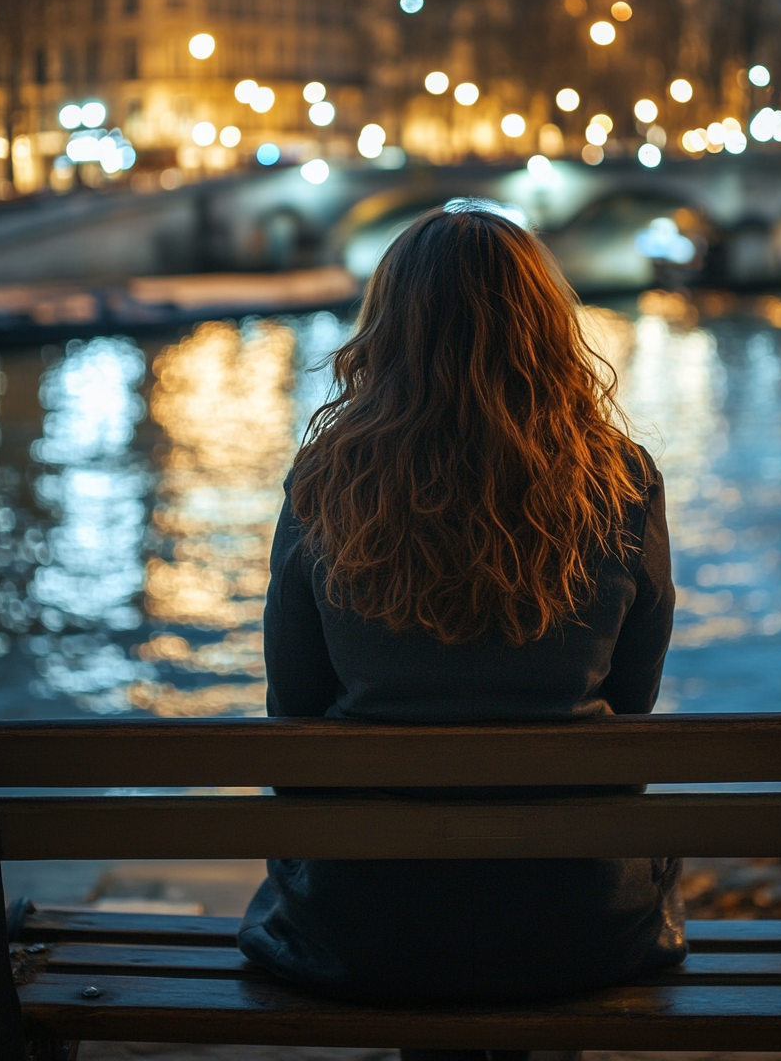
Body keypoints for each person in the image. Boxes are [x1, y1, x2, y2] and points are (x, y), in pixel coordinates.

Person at [239, 203, 685, 1028]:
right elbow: (632, 710)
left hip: (365, 926)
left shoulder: (326, 481)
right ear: (548, 327)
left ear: (390, 326)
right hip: (581, 920)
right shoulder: (620, 480)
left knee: (411, 920)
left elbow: (291, 728)